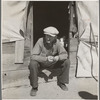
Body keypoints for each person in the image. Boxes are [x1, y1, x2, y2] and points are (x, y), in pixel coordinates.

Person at [28, 26, 70, 96]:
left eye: (50, 36)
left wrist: (58, 57)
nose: (48, 38)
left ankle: (62, 82)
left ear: (55, 37)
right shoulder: (40, 41)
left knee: (67, 62)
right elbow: (33, 56)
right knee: (32, 63)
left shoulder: (57, 42)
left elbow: (65, 54)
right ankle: (34, 87)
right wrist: (46, 58)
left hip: (52, 63)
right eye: (46, 35)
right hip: (41, 63)